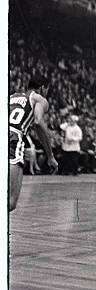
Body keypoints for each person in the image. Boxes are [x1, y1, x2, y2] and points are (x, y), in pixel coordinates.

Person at [9, 73, 58, 211]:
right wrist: (50, 156)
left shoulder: (12, 96)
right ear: (43, 88)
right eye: (47, 90)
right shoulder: (39, 99)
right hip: (12, 138)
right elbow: (38, 122)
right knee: (10, 202)